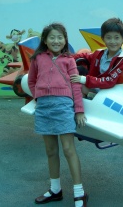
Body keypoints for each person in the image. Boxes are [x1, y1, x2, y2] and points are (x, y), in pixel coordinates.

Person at [28, 23, 88, 207]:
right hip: (44, 107)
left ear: (65, 40)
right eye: (52, 37)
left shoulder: (69, 61)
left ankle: (79, 193)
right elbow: (31, 81)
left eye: (60, 37)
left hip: (63, 107)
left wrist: (78, 110)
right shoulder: (37, 58)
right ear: (45, 40)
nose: (56, 41)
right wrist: (39, 96)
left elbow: (76, 86)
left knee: (69, 149)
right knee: (51, 151)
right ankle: (55, 190)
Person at [70, 18, 123, 97]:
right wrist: (65, 58)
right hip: (95, 90)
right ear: (103, 39)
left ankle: (78, 108)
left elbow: (109, 81)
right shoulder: (99, 54)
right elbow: (83, 56)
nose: (112, 41)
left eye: (116, 38)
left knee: (78, 87)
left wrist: (83, 79)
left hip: (111, 95)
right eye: (108, 37)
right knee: (74, 84)